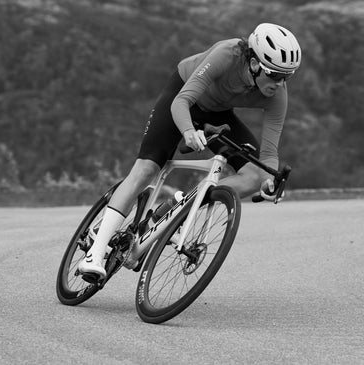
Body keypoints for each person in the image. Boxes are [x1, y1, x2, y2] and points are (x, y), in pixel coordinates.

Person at [78, 22, 301, 279]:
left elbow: (269, 154)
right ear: (254, 64)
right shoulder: (227, 55)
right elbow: (182, 102)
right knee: (147, 168)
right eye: (275, 74)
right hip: (183, 97)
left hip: (216, 113)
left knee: (255, 176)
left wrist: (270, 181)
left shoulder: (277, 94)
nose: (280, 83)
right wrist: (187, 131)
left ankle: (180, 208)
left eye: (287, 76)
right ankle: (94, 253)